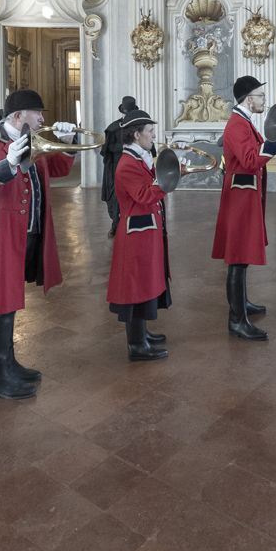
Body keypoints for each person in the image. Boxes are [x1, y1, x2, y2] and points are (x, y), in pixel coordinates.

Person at [0, 89, 78, 400]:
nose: (42, 119)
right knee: (2, 304)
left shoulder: (36, 140)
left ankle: (9, 364)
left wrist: (68, 143)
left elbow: (60, 168)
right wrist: (7, 165)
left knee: (10, 300)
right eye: (38, 113)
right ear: (19, 115)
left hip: (27, 230)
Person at [106, 108, 187, 361]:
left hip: (145, 229)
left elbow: (153, 182)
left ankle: (142, 333)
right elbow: (144, 194)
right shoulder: (128, 163)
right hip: (136, 233)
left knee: (144, 283)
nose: (154, 136)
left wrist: (175, 164)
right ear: (136, 134)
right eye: (150, 132)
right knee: (135, 286)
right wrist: (171, 175)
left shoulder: (139, 157)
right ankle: (136, 344)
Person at [211, 76, 276, 340]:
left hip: (245, 196)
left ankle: (242, 304)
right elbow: (252, 160)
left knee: (241, 259)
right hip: (240, 199)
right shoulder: (237, 125)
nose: (264, 99)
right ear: (248, 98)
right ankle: (236, 320)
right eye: (260, 95)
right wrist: (275, 145)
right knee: (237, 261)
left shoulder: (244, 123)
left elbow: (256, 150)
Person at [100, 95, 137, 237]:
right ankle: (115, 226)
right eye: (125, 113)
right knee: (116, 196)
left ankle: (134, 224)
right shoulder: (114, 128)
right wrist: (122, 147)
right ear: (122, 112)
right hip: (117, 167)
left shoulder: (138, 126)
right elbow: (106, 149)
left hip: (134, 167)